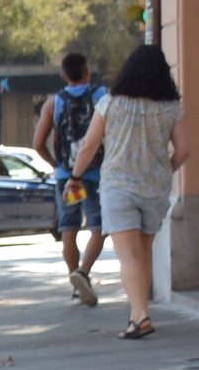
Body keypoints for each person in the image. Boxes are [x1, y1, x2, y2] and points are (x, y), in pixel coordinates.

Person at [71, 43, 187, 340]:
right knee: (143, 253)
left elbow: (89, 145)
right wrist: (166, 170)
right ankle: (137, 313)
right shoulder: (171, 107)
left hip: (119, 187)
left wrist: (75, 176)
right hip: (155, 189)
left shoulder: (110, 103)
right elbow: (185, 150)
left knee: (129, 257)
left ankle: (141, 318)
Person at [33, 51, 108, 306]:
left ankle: (75, 285)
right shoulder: (101, 96)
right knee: (99, 226)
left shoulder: (53, 103)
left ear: (63, 76)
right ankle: (83, 272)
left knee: (69, 228)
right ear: (87, 71)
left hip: (67, 177)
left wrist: (58, 166)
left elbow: (38, 144)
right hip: (95, 174)